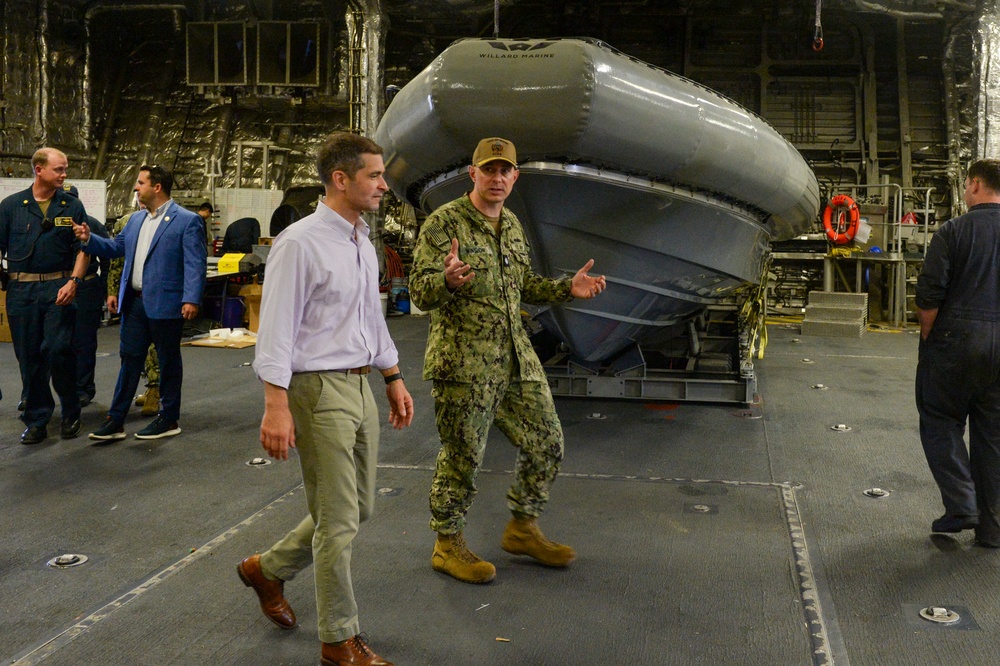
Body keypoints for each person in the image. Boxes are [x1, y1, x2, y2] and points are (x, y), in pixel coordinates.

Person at [238, 132, 412, 666]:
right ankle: (339, 640)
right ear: (341, 179)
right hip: (318, 389)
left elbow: (369, 316)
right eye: (374, 176)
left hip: (360, 383)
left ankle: (265, 570)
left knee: (359, 507)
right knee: (337, 522)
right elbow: (277, 329)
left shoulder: (360, 239)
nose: (385, 185)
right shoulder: (300, 242)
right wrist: (276, 403)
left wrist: (392, 374)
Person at [409, 137, 607, 584]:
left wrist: (565, 289)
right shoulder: (445, 223)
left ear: (514, 177)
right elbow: (420, 292)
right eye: (488, 170)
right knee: (462, 456)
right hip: (463, 365)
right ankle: (447, 544)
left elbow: (522, 286)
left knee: (548, 441)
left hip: (516, 358)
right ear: (472, 174)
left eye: (505, 171)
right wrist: (447, 280)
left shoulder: (513, 224)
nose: (497, 178)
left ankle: (522, 527)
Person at [74, 164, 207, 442]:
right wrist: (89, 239)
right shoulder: (135, 220)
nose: (136, 187)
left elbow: (195, 263)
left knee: (168, 361)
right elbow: (116, 248)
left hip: (167, 302)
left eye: (140, 183)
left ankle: (169, 418)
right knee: (129, 360)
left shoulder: (187, 220)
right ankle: (116, 419)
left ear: (156, 187)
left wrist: (191, 298)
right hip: (134, 303)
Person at [916, 158, 1000, 548]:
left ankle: (962, 505)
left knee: (939, 418)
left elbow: (930, 294)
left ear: (976, 184)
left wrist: (929, 339)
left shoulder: (953, 231)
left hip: (957, 341)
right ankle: (992, 528)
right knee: (993, 435)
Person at [0, 147, 90, 444]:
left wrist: (74, 281)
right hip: (21, 290)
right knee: (29, 357)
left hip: (59, 288)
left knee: (57, 349)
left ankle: (70, 410)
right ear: (39, 170)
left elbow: (83, 249)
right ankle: (37, 418)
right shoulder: (11, 206)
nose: (64, 175)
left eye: (65, 170)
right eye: (59, 170)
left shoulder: (71, 206)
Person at [107, 206, 160, 416]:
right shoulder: (126, 222)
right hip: (132, 296)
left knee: (156, 347)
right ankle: (134, 394)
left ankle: (155, 390)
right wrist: (112, 291)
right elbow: (117, 261)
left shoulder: (171, 220)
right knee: (130, 349)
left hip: (157, 295)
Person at [72, 212, 110, 407]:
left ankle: (83, 389)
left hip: (86, 288)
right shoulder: (54, 223)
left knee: (85, 342)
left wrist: (103, 288)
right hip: (57, 287)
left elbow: (107, 258)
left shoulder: (92, 223)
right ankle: (35, 393)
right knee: (51, 343)